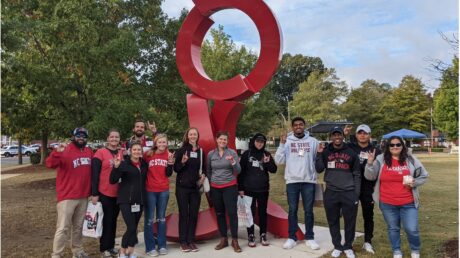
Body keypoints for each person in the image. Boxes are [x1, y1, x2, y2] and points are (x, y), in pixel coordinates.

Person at [365, 136, 429, 258]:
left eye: (398, 144)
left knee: (412, 229)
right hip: (387, 203)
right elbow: (370, 176)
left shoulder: (410, 159)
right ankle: (397, 251)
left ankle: (415, 250)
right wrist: (369, 163)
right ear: (388, 147)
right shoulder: (380, 159)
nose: (395, 147)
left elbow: (424, 175)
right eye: (392, 145)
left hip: (408, 202)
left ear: (402, 146)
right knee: (393, 228)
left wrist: (414, 182)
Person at [46, 127, 93, 258]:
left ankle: (77, 250)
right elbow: (49, 164)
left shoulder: (89, 151)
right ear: (73, 137)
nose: (81, 138)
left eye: (83, 136)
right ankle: (57, 254)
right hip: (67, 196)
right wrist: (57, 152)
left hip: (83, 196)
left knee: (78, 227)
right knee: (63, 227)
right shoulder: (65, 149)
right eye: (78, 135)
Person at [274, 117, 320, 250]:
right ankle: (292, 237)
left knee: (308, 211)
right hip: (292, 181)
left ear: (304, 126)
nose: (298, 126)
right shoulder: (287, 141)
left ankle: (310, 237)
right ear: (292, 127)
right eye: (296, 125)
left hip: (308, 181)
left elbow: (318, 158)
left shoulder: (313, 141)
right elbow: (279, 160)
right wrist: (282, 145)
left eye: (301, 124)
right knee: (292, 210)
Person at [315, 126, 361, 258]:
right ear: (331, 137)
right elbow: (319, 169)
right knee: (333, 220)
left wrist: (356, 193)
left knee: (350, 221)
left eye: (339, 135)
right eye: (334, 135)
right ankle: (337, 246)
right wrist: (319, 154)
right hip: (331, 192)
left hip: (349, 192)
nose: (337, 137)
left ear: (343, 136)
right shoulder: (326, 152)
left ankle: (348, 246)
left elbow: (357, 174)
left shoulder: (351, 152)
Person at [344, 124, 381, 254]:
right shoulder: (351, 147)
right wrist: (344, 135)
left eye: (365, 133)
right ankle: (349, 240)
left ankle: (367, 242)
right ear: (356, 135)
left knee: (368, 215)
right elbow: (338, 147)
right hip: (352, 186)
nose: (362, 135)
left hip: (368, 187)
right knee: (350, 215)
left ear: (369, 135)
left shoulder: (376, 150)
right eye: (360, 133)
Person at [237, 133, 277, 247]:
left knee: (262, 213)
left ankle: (263, 234)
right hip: (248, 189)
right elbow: (241, 173)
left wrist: (268, 162)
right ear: (254, 141)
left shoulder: (266, 154)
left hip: (263, 190)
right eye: (258, 141)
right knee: (250, 213)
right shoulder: (246, 154)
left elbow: (273, 170)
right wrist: (240, 188)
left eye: (262, 142)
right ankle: (251, 235)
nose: (259, 143)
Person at [110, 141, 148, 258]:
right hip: (126, 200)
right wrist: (116, 168)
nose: (137, 152)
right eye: (134, 149)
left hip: (139, 200)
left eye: (139, 150)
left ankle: (130, 252)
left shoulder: (143, 164)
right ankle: (122, 251)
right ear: (130, 151)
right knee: (131, 227)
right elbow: (113, 180)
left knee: (134, 228)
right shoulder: (123, 164)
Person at [207, 131, 242, 252]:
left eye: (225, 140)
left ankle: (235, 240)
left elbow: (238, 170)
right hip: (215, 188)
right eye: (221, 139)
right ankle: (223, 239)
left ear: (227, 141)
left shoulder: (232, 152)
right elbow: (208, 171)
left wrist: (233, 161)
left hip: (230, 187)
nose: (223, 141)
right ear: (217, 140)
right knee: (220, 213)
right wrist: (212, 183)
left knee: (232, 213)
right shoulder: (211, 154)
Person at [91, 129, 123, 258]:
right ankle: (104, 247)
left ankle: (111, 246)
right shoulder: (100, 153)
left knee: (113, 220)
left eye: (116, 137)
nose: (114, 139)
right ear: (108, 139)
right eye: (112, 137)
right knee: (106, 221)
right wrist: (94, 193)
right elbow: (94, 174)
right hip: (104, 192)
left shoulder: (121, 153)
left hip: (118, 193)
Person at [174, 128, 207, 252]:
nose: (193, 136)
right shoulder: (182, 150)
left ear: (198, 136)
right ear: (187, 136)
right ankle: (183, 241)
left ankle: (191, 240)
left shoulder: (201, 151)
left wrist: (203, 175)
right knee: (184, 215)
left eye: (195, 134)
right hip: (182, 187)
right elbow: (176, 169)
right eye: (191, 134)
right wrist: (182, 162)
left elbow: (204, 168)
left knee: (193, 215)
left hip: (195, 188)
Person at [143, 134, 174, 256]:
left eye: (164, 142)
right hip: (150, 190)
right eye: (159, 142)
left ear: (167, 143)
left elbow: (169, 174)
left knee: (161, 218)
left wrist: (170, 164)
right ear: (156, 143)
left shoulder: (169, 155)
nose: (162, 144)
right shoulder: (148, 154)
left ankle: (162, 245)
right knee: (149, 219)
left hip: (163, 190)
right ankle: (150, 247)